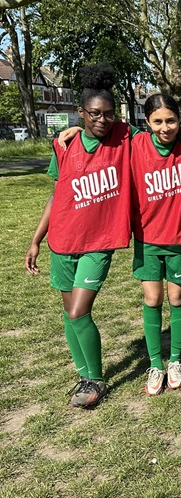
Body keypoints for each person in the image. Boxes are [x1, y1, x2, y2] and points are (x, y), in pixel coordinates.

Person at [24, 63, 135, 408]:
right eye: (94, 113)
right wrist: (36, 240)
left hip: (98, 243)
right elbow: (57, 196)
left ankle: (97, 381)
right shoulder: (65, 145)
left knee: (78, 312)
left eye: (109, 114)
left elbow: (165, 130)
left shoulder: (124, 136)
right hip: (62, 240)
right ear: (80, 112)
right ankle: (84, 374)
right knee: (68, 312)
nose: (102, 120)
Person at [130, 94, 181, 395]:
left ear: (180, 119)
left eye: (171, 121)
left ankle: (175, 360)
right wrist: (78, 128)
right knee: (152, 299)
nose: (165, 127)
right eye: (157, 121)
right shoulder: (135, 143)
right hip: (147, 239)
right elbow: (104, 131)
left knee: (177, 298)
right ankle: (156, 363)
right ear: (147, 122)